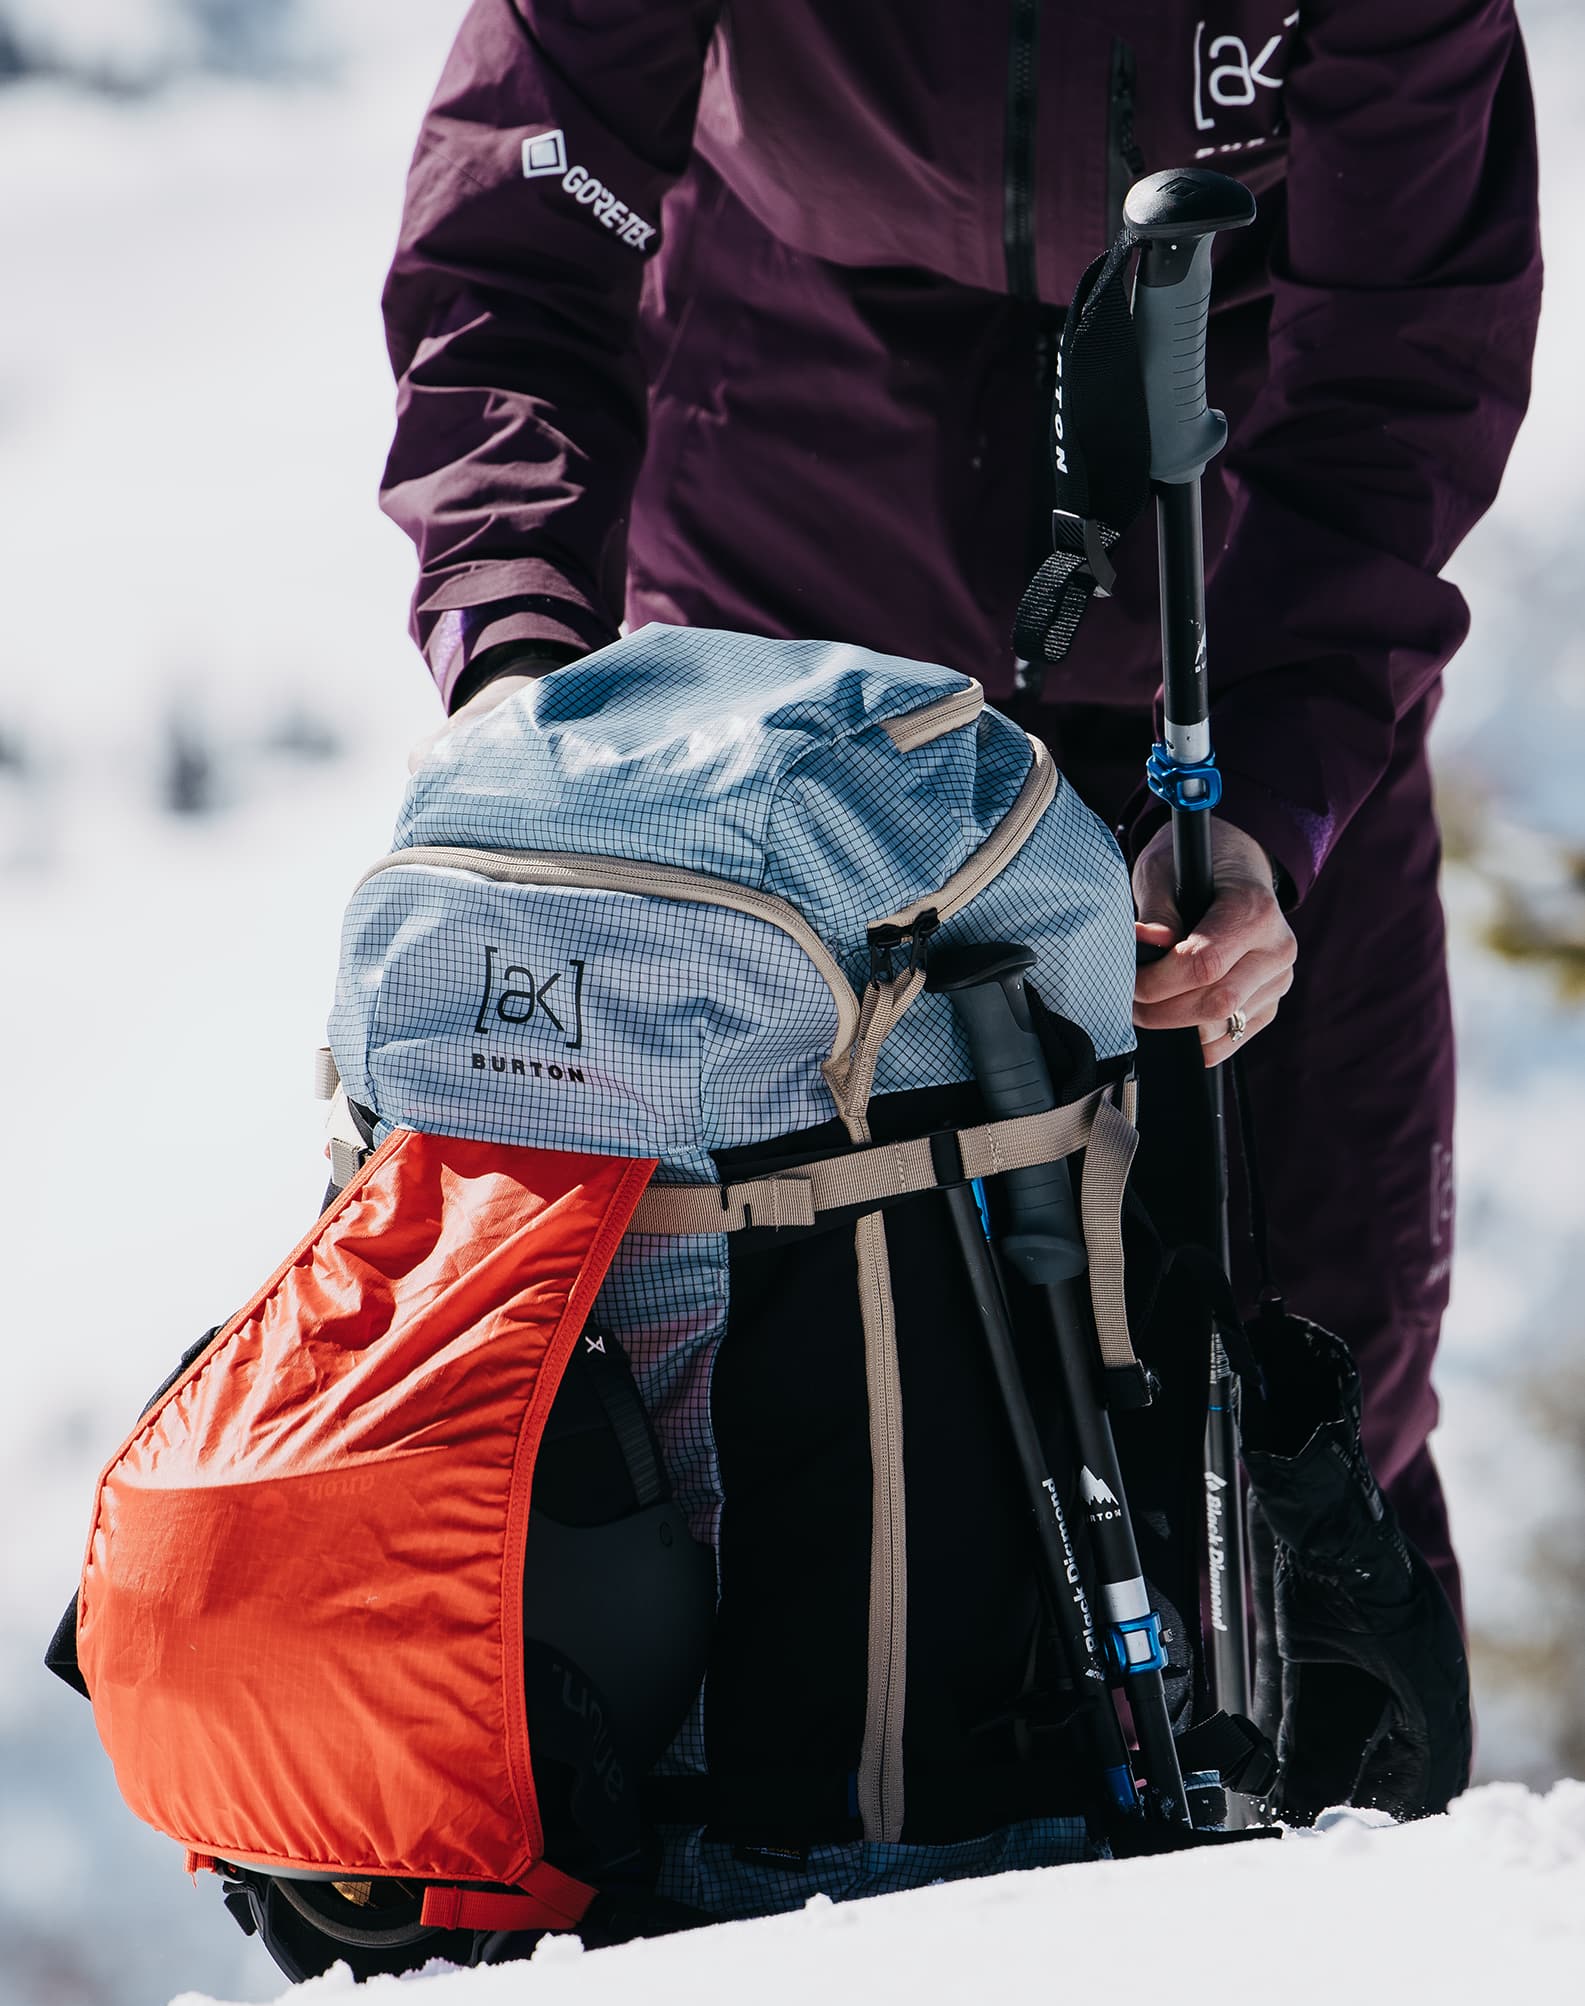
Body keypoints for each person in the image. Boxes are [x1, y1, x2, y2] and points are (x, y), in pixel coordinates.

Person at [379, 1, 1541, 1624]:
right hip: (777, 678)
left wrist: (1267, 801)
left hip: (1224, 661)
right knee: (751, 1388)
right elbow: (518, 240)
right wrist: (517, 656)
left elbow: (1399, 368)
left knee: (1318, 1391)